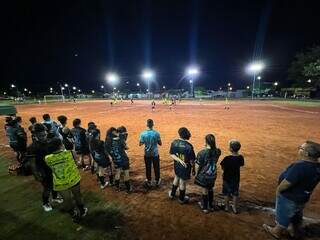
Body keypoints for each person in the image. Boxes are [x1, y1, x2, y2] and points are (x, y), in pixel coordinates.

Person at [263, 141, 320, 239]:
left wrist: (279, 190)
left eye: (301, 148)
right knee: (297, 214)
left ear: (306, 153)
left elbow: (287, 183)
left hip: (289, 197)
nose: (299, 149)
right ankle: (294, 231)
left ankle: (276, 231)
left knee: (283, 215)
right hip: (303, 197)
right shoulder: (317, 166)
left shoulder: (300, 166)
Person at [45, 138, 87, 222]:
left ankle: (73, 215)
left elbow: (51, 168)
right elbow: (78, 164)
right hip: (73, 179)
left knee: (67, 200)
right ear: (61, 145)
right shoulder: (70, 153)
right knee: (77, 195)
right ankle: (82, 211)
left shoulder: (47, 158)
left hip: (60, 182)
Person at [24, 123, 62, 212]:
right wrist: (36, 175)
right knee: (47, 188)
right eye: (40, 136)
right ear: (35, 135)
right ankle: (45, 203)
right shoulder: (32, 147)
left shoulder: (49, 141)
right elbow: (32, 164)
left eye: (44, 134)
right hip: (43, 171)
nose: (43, 137)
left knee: (55, 183)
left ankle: (55, 197)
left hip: (52, 168)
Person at [194, 134, 221, 213]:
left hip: (204, 175)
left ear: (206, 142)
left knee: (204, 190)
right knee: (210, 188)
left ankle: (205, 208)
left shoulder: (201, 153)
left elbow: (197, 166)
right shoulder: (218, 151)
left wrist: (196, 174)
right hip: (213, 174)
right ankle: (211, 205)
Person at [168, 127, 196, 204]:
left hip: (177, 165)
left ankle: (172, 194)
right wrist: (193, 169)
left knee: (176, 177)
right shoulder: (189, 146)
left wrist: (179, 160)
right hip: (185, 167)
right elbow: (192, 160)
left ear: (179, 134)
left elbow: (171, 154)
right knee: (182, 182)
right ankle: (181, 199)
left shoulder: (174, 142)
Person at [105, 127, 132, 193]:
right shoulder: (120, 140)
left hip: (116, 159)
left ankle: (117, 188)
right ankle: (128, 189)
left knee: (118, 172)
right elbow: (126, 148)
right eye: (116, 131)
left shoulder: (108, 141)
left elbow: (108, 151)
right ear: (114, 133)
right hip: (124, 159)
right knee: (126, 173)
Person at [220, 139, 244, 214]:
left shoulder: (227, 158)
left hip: (227, 178)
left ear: (230, 149)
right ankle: (234, 208)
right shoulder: (240, 158)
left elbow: (222, 166)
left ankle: (226, 207)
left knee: (226, 193)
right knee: (235, 193)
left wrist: (224, 170)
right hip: (236, 178)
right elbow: (241, 164)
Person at [139, 119, 162, 188]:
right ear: (153, 124)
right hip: (155, 153)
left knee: (148, 167)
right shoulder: (156, 133)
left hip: (147, 154)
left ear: (147, 125)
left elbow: (140, 143)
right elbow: (160, 143)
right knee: (156, 167)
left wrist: (145, 142)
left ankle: (148, 180)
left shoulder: (143, 133)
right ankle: (157, 180)